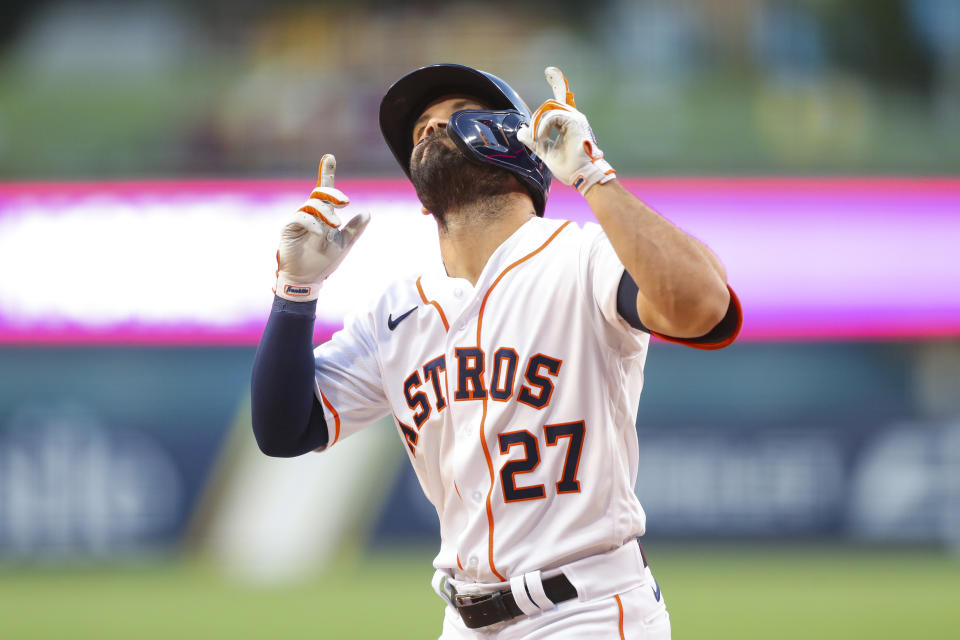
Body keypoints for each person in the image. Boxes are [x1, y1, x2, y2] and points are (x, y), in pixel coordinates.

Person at [250, 63, 741, 639]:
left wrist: (592, 174)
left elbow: (704, 307)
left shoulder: (580, 258)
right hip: (463, 620)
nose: (431, 129)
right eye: (420, 129)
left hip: (586, 611)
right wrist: (295, 293)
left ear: (518, 139)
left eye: (456, 114)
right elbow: (284, 429)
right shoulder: (395, 309)